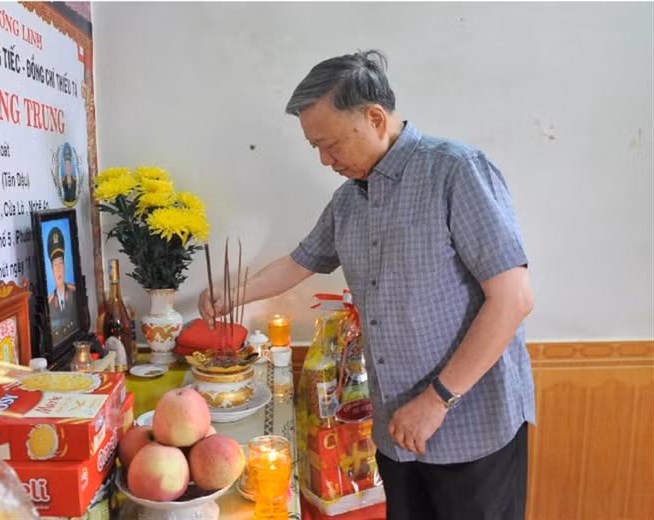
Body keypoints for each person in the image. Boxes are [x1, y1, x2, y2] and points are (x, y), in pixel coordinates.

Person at [198, 50, 535, 520]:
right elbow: (300, 262)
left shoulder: (456, 171)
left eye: (331, 144)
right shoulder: (348, 202)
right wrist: (233, 293)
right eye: (314, 146)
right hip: (397, 431)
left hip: (469, 425)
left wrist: (437, 400)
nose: (323, 160)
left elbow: (513, 299)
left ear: (375, 118)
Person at [47, 226, 78, 338]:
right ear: (52, 270)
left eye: (61, 263)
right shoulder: (49, 303)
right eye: (55, 265)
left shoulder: (75, 294)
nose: (59, 268)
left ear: (64, 266)